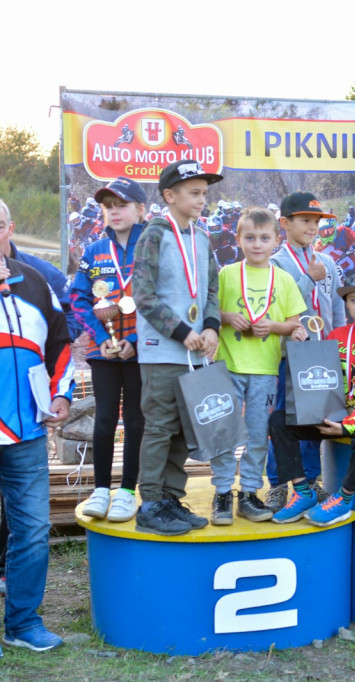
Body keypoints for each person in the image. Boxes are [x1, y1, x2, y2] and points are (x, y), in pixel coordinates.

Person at [132, 160, 223, 536]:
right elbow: (144, 295)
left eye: (205, 193)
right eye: (194, 193)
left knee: (185, 430)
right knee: (160, 426)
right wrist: (181, 329)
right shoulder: (154, 234)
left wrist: (213, 327)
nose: (203, 200)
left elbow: (213, 289)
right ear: (170, 196)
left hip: (196, 351)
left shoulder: (201, 238)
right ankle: (150, 502)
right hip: (163, 351)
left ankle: (171, 497)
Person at [270, 271, 355, 526]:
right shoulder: (336, 336)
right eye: (353, 300)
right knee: (278, 420)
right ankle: (303, 491)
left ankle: (344, 497)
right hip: (332, 412)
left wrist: (348, 424)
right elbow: (319, 377)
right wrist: (305, 345)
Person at [0, 253, 75, 653]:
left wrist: (61, 392)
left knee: (31, 531)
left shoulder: (34, 281)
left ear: (8, 229)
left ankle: (23, 623)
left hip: (26, 430)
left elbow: (61, 342)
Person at [214, 207, 307, 525]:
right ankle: (222, 493)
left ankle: (249, 493)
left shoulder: (283, 279)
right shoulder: (226, 274)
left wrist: (274, 327)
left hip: (266, 370)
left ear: (275, 241)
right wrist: (228, 317)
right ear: (238, 239)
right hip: (228, 364)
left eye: (264, 238)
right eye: (250, 238)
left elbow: (294, 323)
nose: (257, 244)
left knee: (257, 434)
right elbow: (213, 313)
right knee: (225, 432)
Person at [69, 177, 148, 522]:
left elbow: (163, 297)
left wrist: (138, 341)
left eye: (122, 205)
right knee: (104, 419)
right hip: (105, 350)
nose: (114, 212)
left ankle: (128, 490)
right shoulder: (93, 251)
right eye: (108, 206)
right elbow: (78, 297)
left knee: (136, 419)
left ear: (140, 209)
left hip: (143, 350)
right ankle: (101, 488)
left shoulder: (153, 245)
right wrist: (101, 337)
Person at [264, 192, 346, 511]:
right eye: (305, 221)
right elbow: (276, 306)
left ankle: (311, 481)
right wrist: (308, 280)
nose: (312, 227)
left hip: (321, 353)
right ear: (285, 223)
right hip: (288, 354)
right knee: (283, 421)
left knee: (315, 420)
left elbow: (337, 308)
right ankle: (278, 484)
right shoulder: (274, 264)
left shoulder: (327, 262)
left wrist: (338, 345)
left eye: (316, 221)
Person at [0, 198, 80, 339]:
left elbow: (77, 305)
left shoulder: (38, 270)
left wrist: (55, 344)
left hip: (32, 359)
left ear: (10, 229)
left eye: (0, 227)